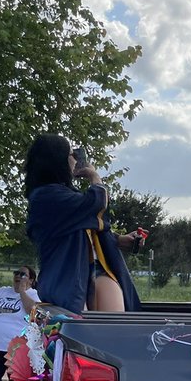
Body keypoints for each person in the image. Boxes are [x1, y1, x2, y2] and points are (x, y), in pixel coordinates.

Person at [24, 134, 145, 313]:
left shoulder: (62, 196)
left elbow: (86, 227)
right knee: (82, 335)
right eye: (71, 154)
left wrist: (119, 240)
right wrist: (94, 176)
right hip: (69, 278)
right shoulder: (46, 196)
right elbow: (95, 204)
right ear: (58, 160)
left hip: (93, 271)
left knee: (113, 331)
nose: (75, 159)